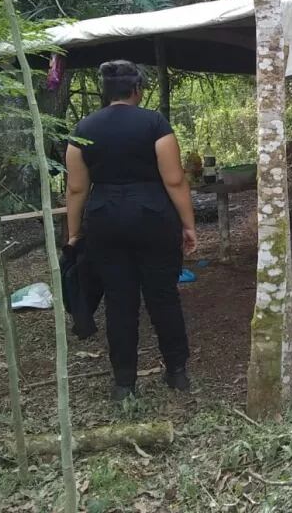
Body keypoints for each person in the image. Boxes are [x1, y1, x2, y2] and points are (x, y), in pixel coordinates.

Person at [65, 60, 197, 400]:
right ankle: (177, 372)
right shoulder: (154, 123)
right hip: (153, 216)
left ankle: (124, 382)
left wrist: (74, 233)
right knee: (163, 296)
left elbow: (77, 189)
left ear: (105, 92)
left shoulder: (84, 128)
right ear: (136, 90)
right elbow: (174, 179)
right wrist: (188, 224)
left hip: (105, 219)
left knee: (119, 302)